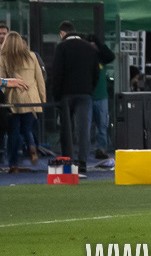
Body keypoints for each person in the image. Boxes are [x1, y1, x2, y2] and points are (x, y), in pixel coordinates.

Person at [50, 21, 99, 172]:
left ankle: (67, 162)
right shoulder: (89, 48)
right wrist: (89, 89)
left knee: (66, 129)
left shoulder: (61, 48)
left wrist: (56, 95)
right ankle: (82, 162)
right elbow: (96, 74)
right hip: (85, 94)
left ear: (62, 33)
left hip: (66, 94)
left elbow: (57, 73)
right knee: (83, 129)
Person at [1, 32, 41, 171]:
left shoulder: (3, 57)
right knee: (27, 128)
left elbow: (1, 79)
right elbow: (39, 79)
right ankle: (31, 146)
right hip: (31, 99)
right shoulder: (32, 56)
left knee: (14, 131)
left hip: (13, 100)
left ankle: (13, 164)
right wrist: (41, 100)